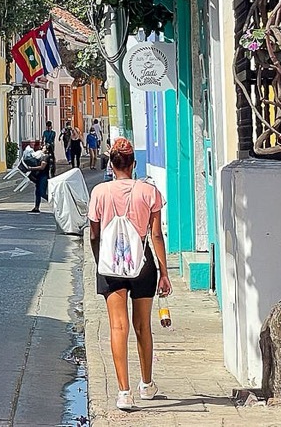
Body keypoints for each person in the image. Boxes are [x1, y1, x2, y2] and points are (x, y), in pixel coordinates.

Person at [89, 139, 170, 412]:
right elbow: (156, 234)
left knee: (117, 326)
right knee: (142, 326)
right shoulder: (149, 192)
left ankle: (124, 392)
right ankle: (146, 384)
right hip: (143, 263)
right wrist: (164, 273)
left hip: (111, 264)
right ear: (133, 164)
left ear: (111, 166)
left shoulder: (99, 192)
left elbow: (93, 234)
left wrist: (100, 260)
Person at [22, 141, 50, 213]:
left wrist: (31, 168)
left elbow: (42, 167)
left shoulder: (45, 157)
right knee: (37, 192)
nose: (42, 148)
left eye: (44, 147)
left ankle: (54, 202)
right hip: (39, 176)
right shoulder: (41, 155)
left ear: (47, 149)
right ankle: (36, 207)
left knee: (42, 193)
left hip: (43, 176)